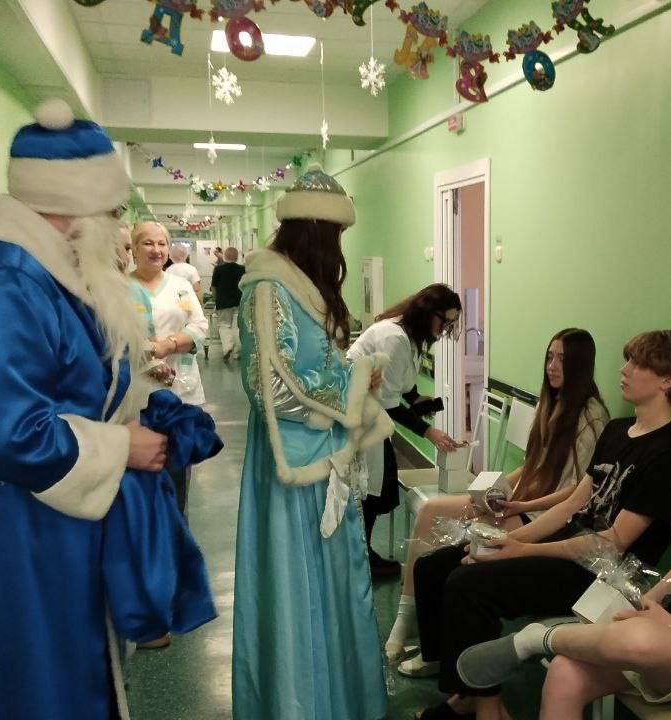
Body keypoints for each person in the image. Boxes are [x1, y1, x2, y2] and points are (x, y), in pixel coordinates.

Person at [0, 99, 169, 720]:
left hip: (57, 523)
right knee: (40, 685)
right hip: (28, 532)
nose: (120, 230)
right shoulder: (9, 283)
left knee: (73, 672)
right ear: (77, 207)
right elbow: (11, 434)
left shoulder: (51, 274)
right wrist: (121, 448)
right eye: (112, 213)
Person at [455, 377, 671, 718]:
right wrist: (642, 605)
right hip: (669, 633)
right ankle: (564, 637)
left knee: (640, 640)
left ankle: (539, 638)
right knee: (565, 671)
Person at [410, 330, 671, 720]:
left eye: (638, 364)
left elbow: (614, 541)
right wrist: (509, 541)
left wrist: (522, 550)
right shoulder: (617, 430)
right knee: (435, 566)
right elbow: (573, 503)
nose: (624, 369)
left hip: (601, 575)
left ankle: (486, 707)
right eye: (628, 360)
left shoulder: (670, 454)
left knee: (468, 584)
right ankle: (466, 691)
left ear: (667, 381)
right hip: (569, 548)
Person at [232, 165, 396, 720]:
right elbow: (270, 388)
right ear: (318, 234)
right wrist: (351, 389)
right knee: (299, 588)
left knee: (333, 582)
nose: (340, 249)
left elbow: (312, 368)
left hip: (322, 454)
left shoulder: (299, 287)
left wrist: (356, 375)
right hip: (296, 462)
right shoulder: (268, 288)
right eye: (337, 236)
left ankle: (341, 701)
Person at [384, 328, 610, 662]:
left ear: (581, 364)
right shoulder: (553, 404)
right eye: (549, 357)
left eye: (562, 359)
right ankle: (407, 620)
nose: (552, 366)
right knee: (430, 513)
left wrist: (520, 505)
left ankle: (433, 630)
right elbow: (533, 465)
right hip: (521, 501)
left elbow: (575, 492)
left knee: (455, 551)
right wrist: (493, 488)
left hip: (543, 516)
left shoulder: (591, 417)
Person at [347, 283, 464, 578]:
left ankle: (362, 553)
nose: (445, 329)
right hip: (361, 414)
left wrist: (417, 400)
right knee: (371, 488)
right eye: (445, 321)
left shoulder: (409, 337)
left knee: (378, 485)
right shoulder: (394, 337)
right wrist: (428, 432)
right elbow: (387, 403)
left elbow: (402, 385)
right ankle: (360, 557)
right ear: (429, 312)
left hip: (372, 413)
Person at [129, 221, 209, 519]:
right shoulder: (120, 288)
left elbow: (199, 325)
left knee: (177, 474)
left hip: (179, 390)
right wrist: (146, 355)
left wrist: (168, 345)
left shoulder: (180, 286)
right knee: (141, 476)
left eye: (162, 243)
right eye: (148, 243)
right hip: (136, 395)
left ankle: (176, 534)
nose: (156, 250)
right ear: (134, 249)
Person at [211, 246, 246, 361]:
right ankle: (237, 353)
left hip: (223, 302)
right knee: (237, 327)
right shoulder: (243, 269)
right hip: (239, 302)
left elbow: (214, 286)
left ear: (225, 256)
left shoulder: (218, 269)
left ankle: (227, 347)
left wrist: (215, 299)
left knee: (224, 325)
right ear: (237, 257)